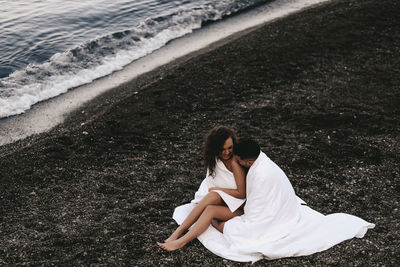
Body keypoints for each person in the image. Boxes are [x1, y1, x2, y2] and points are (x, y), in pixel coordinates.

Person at [157, 126, 246, 251]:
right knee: (211, 197)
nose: (226, 152)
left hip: (241, 207)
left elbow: (242, 194)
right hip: (227, 201)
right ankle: (177, 233)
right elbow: (212, 182)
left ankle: (180, 242)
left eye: (230, 148)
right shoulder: (215, 160)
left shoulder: (235, 162)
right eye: (222, 149)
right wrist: (216, 191)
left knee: (212, 203)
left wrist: (218, 189)